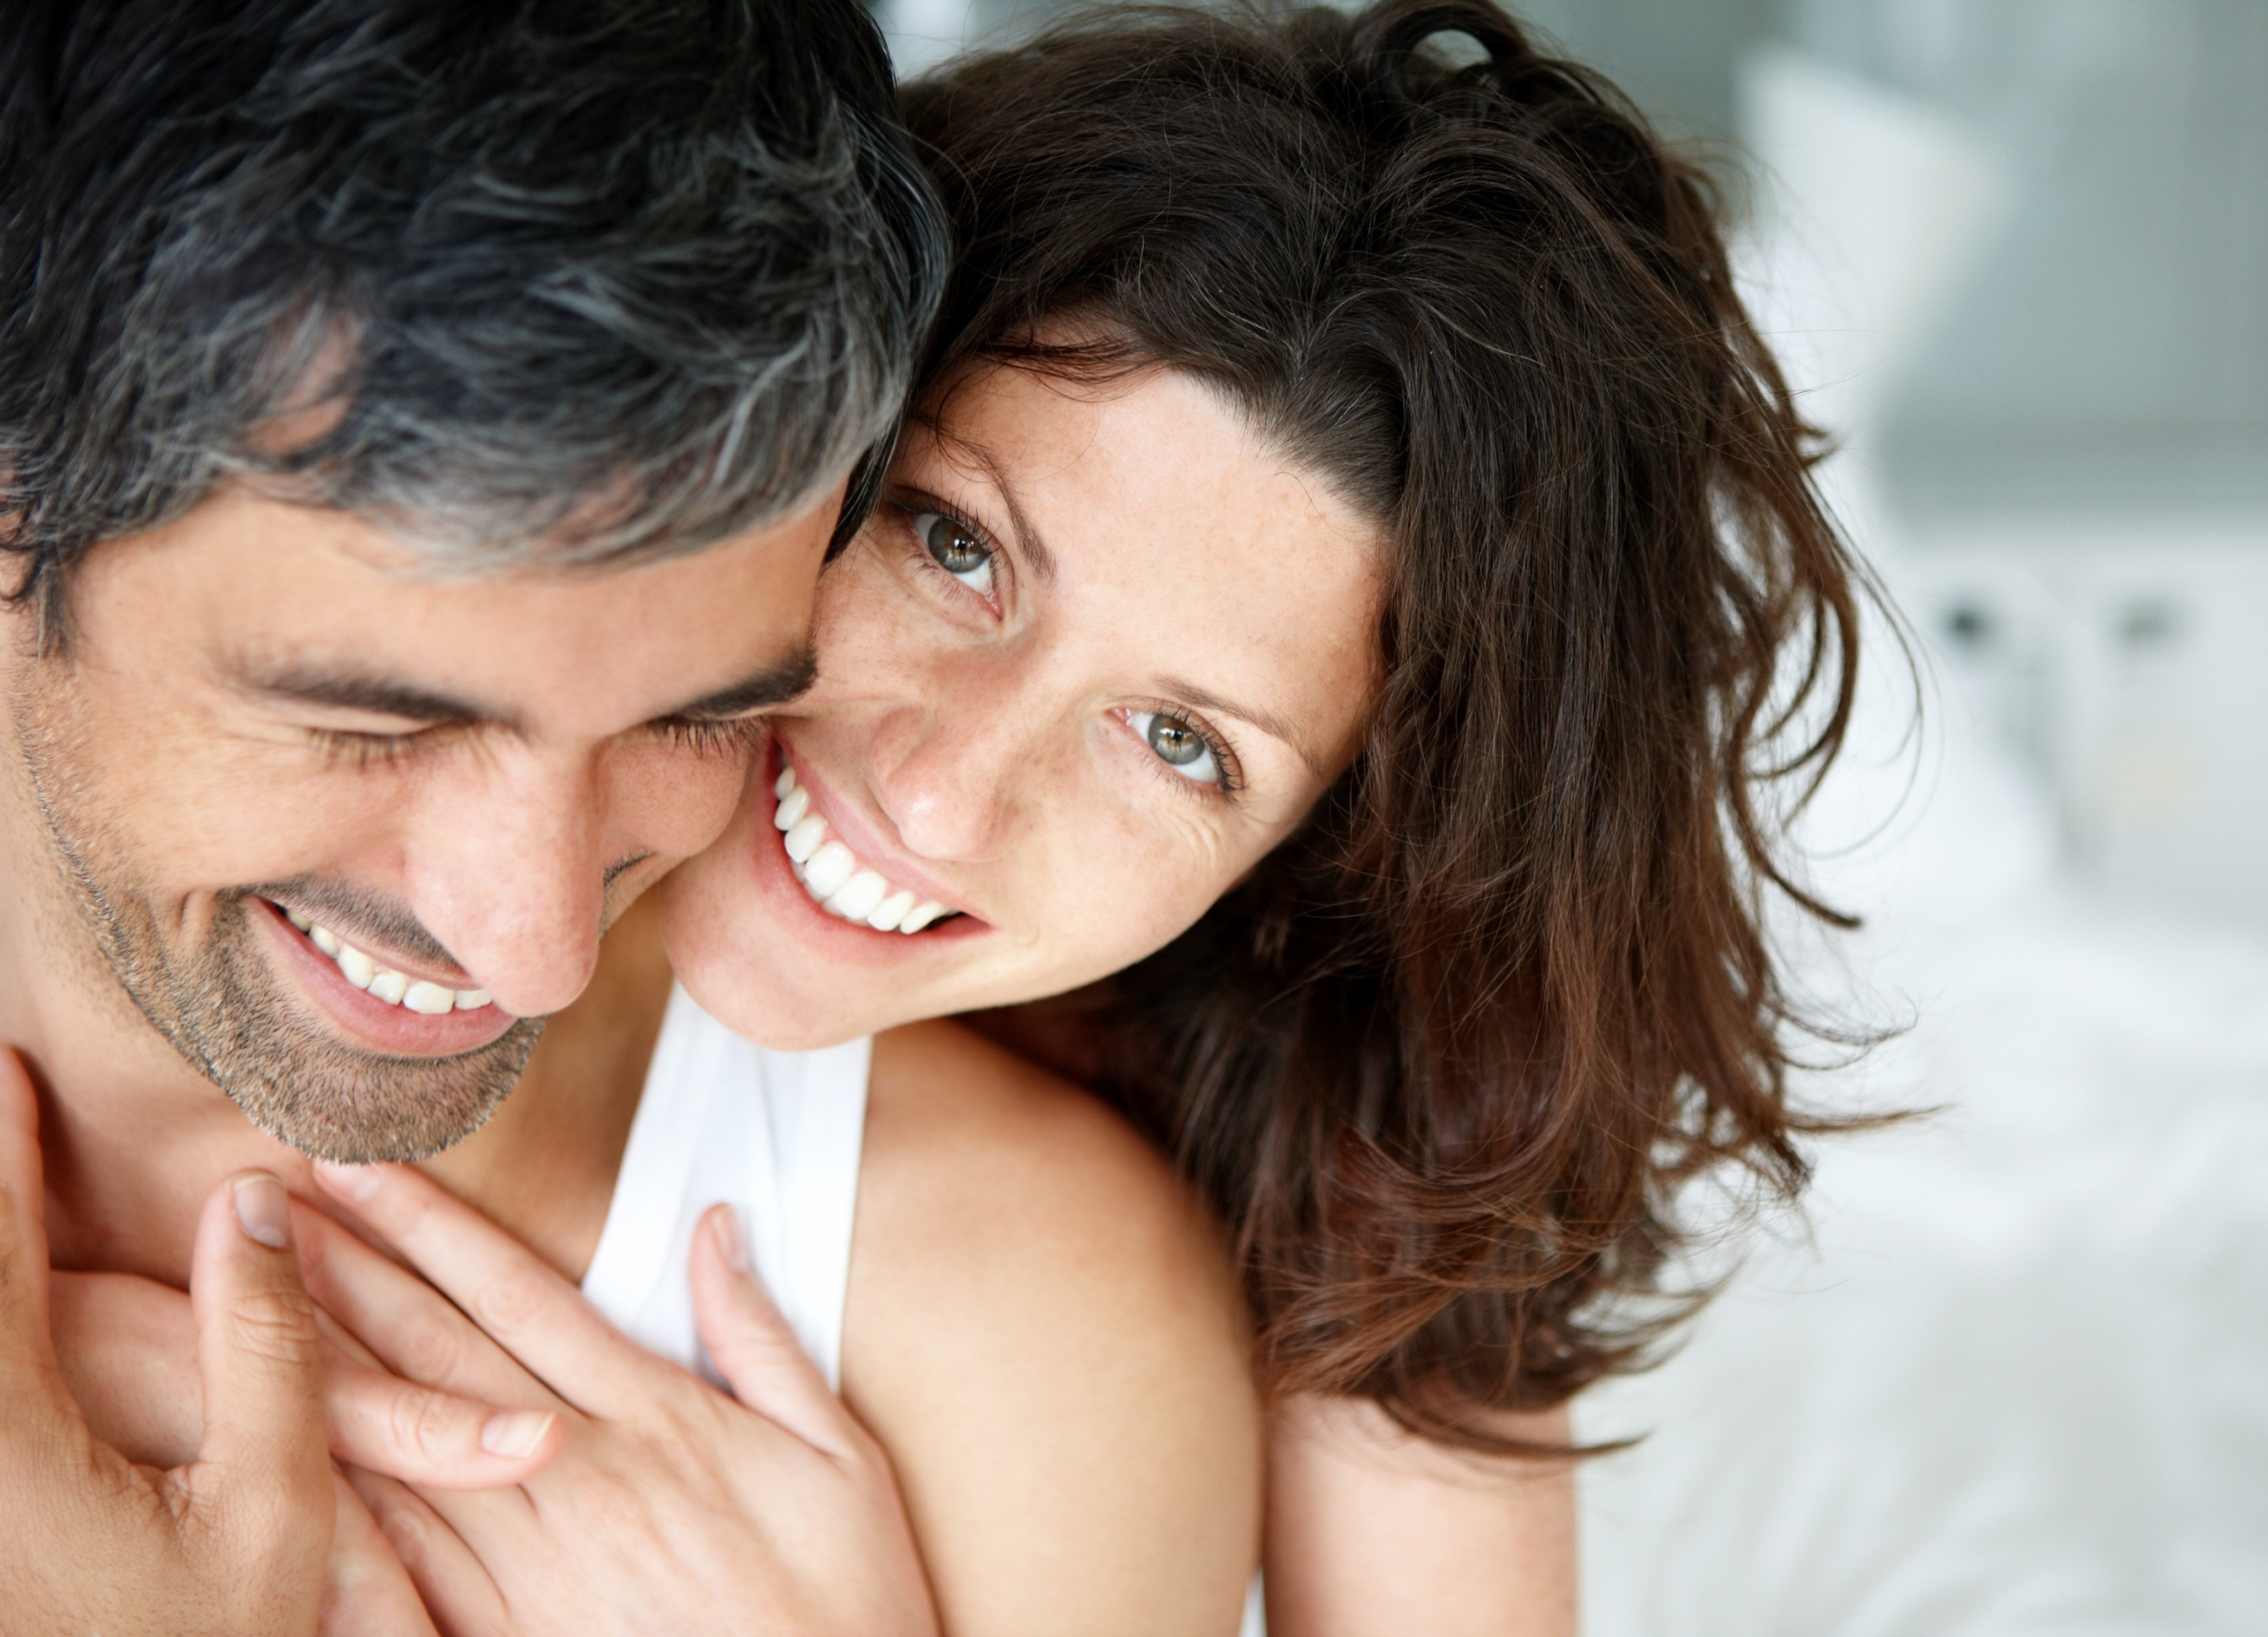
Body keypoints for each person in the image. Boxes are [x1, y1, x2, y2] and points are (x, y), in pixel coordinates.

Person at [25, 0, 1861, 1631]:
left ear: (1319, 860)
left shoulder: (1102, 1281)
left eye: (1182, 740)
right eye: (956, 545)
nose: (935, 791)